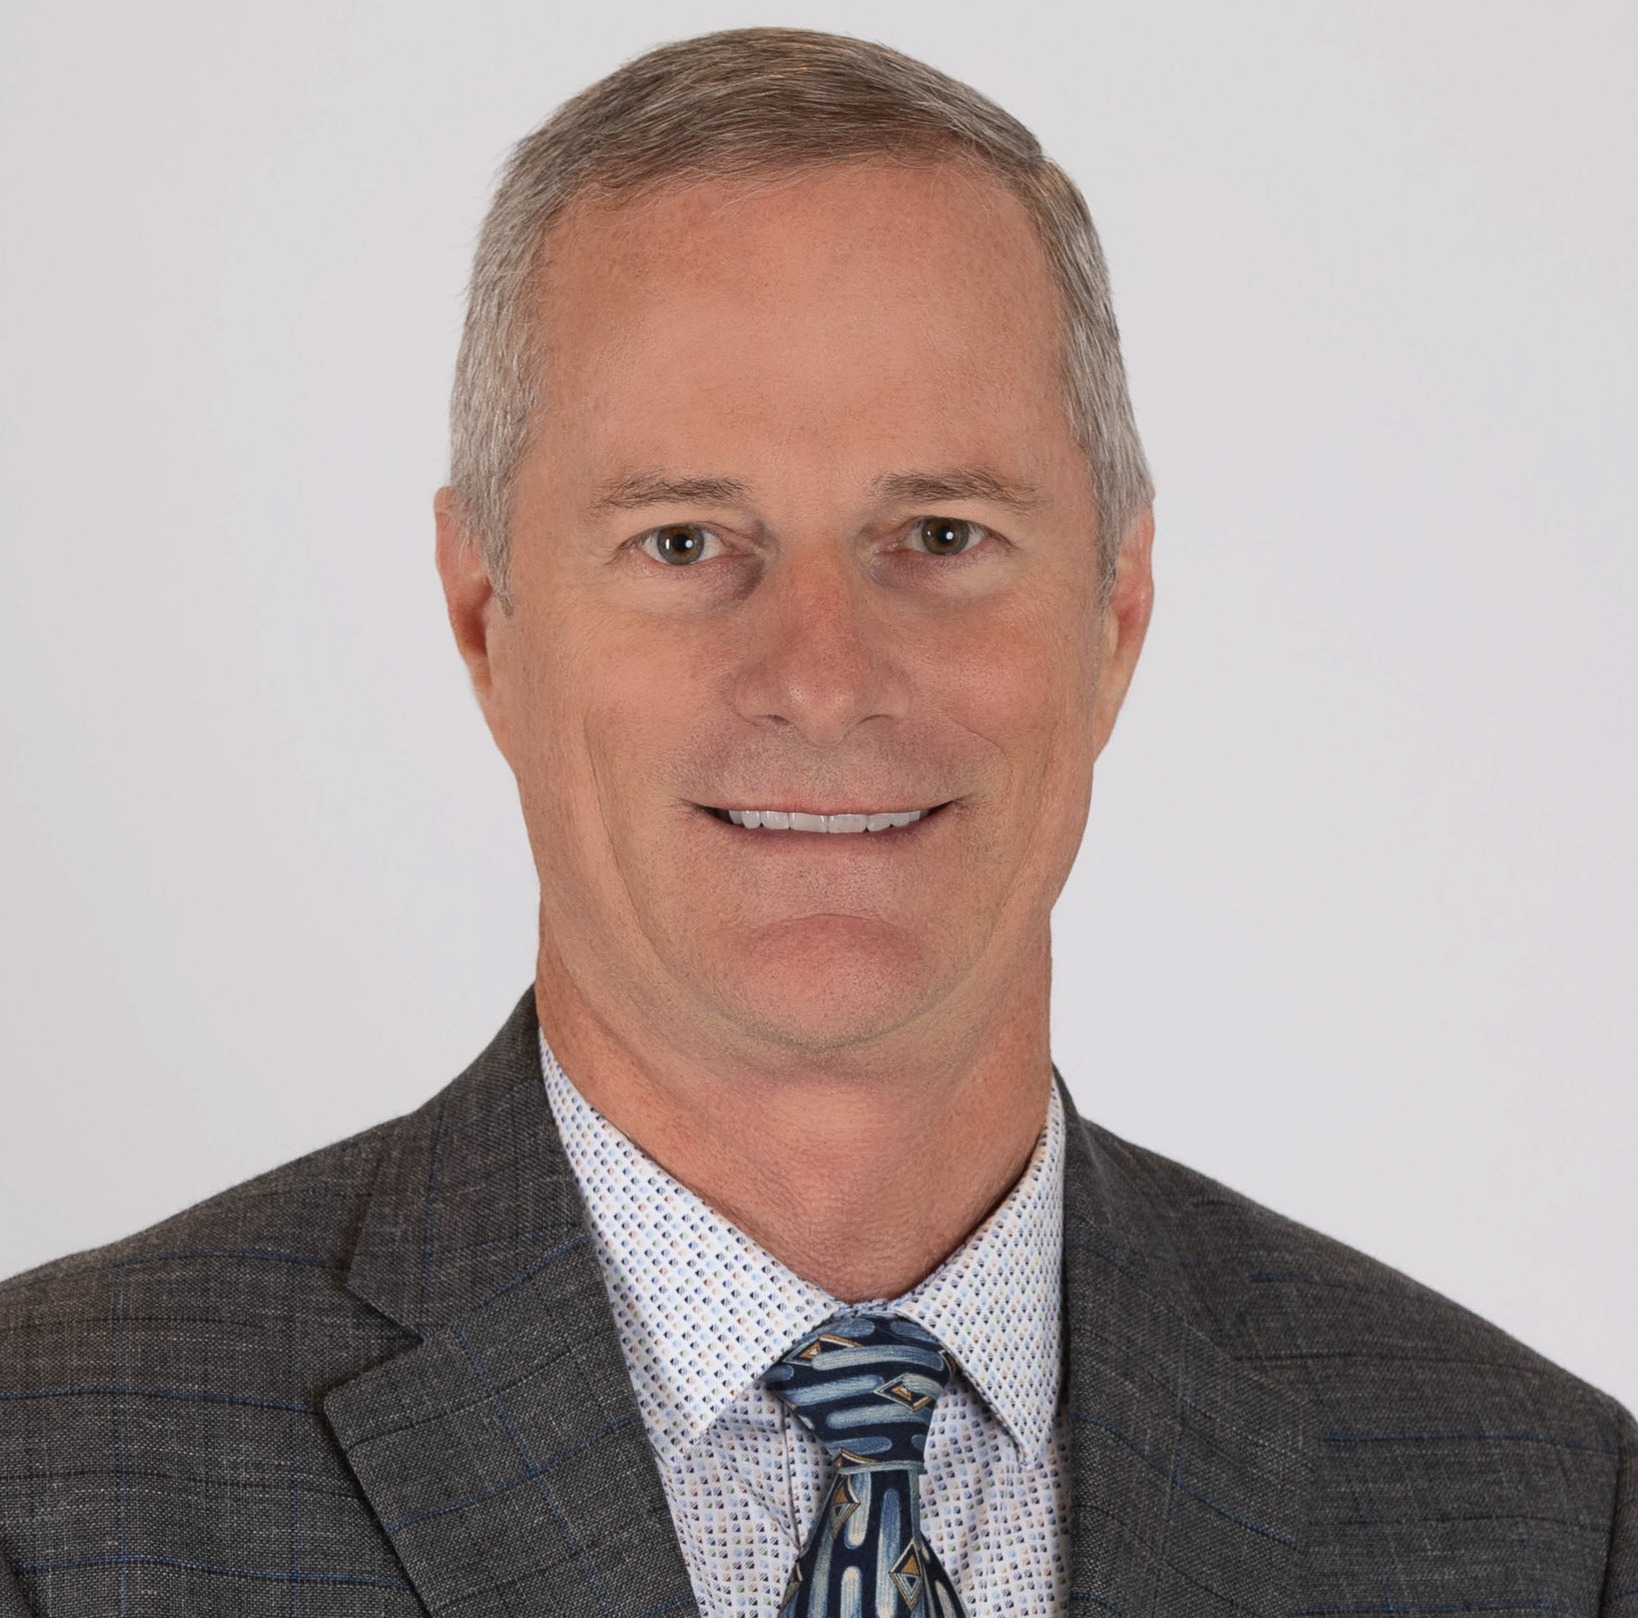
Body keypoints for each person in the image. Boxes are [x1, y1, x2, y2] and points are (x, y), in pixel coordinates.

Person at [0, 26, 1629, 1618]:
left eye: (941, 531)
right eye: (684, 541)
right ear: (486, 615)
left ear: (1115, 609)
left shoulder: (1544, 1520)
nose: (824, 679)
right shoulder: (51, 1485)